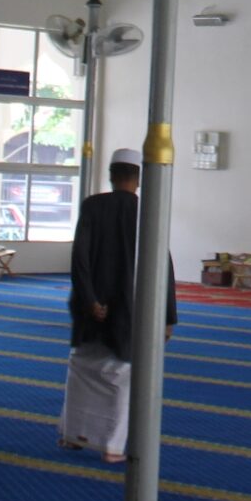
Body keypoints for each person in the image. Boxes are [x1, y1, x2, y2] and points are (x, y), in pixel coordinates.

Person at [61, 148, 177, 464]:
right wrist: (168, 316)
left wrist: (89, 300)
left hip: (91, 307)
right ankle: (112, 447)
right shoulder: (147, 210)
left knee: (82, 368)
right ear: (139, 179)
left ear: (111, 176)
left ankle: (74, 434)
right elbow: (163, 266)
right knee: (122, 377)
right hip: (131, 307)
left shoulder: (92, 206)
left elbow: (80, 257)